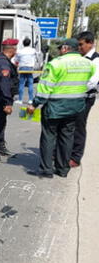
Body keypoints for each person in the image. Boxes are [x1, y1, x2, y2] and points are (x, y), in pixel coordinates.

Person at [27, 38, 96, 178]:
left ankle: (46, 170)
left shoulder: (55, 64)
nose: (58, 51)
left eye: (60, 49)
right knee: (67, 137)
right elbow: (89, 84)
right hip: (76, 108)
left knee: (48, 137)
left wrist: (34, 104)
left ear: (65, 49)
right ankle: (63, 169)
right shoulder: (89, 64)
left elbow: (44, 89)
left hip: (55, 107)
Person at [70, 31, 99, 167]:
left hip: (85, 98)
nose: (79, 47)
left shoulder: (96, 60)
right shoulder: (79, 58)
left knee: (79, 126)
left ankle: (76, 157)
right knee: (69, 125)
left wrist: (75, 89)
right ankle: (66, 151)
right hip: (75, 97)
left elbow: (92, 82)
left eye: (81, 44)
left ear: (90, 43)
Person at [14, 37, 37, 104]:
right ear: (29, 43)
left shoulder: (20, 51)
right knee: (30, 84)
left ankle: (20, 100)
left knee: (21, 84)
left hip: (22, 68)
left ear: (23, 43)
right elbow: (36, 58)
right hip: (30, 68)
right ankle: (30, 100)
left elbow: (16, 59)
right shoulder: (33, 50)